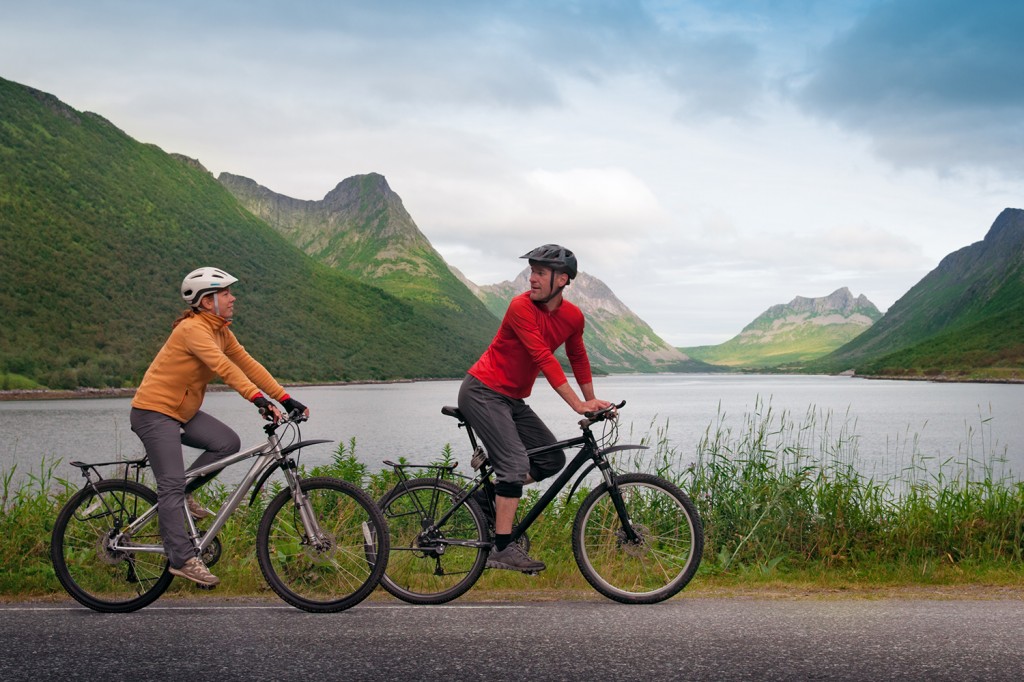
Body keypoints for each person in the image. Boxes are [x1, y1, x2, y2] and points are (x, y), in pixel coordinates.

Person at [130, 267, 308, 587]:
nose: (232, 297)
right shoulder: (192, 330)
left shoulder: (221, 330)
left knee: (226, 443)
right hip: (154, 413)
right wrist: (257, 399)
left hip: (181, 412)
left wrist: (284, 398)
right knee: (170, 485)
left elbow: (247, 363)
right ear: (207, 300)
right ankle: (182, 559)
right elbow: (223, 367)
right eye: (225, 293)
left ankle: (183, 494)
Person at [457, 244, 613, 572]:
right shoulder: (520, 308)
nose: (532, 279)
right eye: (532, 272)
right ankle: (501, 548)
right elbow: (544, 358)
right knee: (514, 464)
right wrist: (577, 405)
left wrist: (592, 400)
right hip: (483, 391)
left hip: (511, 399)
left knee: (550, 458)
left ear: (562, 279)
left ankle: (485, 500)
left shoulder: (573, 317)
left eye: (540, 272)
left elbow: (578, 358)